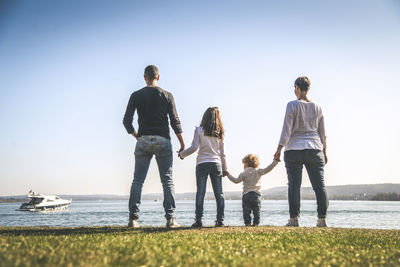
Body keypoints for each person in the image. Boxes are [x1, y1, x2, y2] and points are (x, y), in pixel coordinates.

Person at [123, 65, 185, 228]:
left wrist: (137, 136)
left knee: (138, 180)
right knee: (167, 180)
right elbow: (175, 121)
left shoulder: (136, 95)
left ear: (145, 77)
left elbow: (126, 121)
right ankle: (170, 219)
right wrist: (182, 143)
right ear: (158, 77)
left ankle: (133, 219)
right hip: (163, 140)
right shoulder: (167, 95)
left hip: (143, 140)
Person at [273, 76, 328, 227]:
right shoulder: (317, 107)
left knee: (294, 186)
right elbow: (323, 132)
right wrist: (325, 150)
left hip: (294, 149)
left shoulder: (292, 105)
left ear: (297, 87)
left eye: (294, 88)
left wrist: (278, 149)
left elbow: (286, 130)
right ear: (308, 88)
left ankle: (294, 219)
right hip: (315, 149)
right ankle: (322, 219)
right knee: (319, 186)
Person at [178, 107, 227, 227]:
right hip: (216, 164)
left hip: (202, 163)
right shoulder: (220, 132)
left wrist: (182, 155)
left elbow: (194, 147)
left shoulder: (199, 130)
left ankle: (199, 220)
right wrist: (225, 168)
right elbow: (222, 153)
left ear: (205, 117)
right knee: (219, 193)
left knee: (200, 193)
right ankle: (220, 221)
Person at [225, 154, 279, 226]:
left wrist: (228, 175)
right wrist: (275, 162)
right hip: (256, 195)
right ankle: (256, 224)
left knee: (246, 212)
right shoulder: (258, 171)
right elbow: (268, 169)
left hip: (246, 195)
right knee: (257, 211)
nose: (243, 166)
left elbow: (236, 181)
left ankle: (247, 224)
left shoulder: (243, 173)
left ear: (246, 164)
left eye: (243, 164)